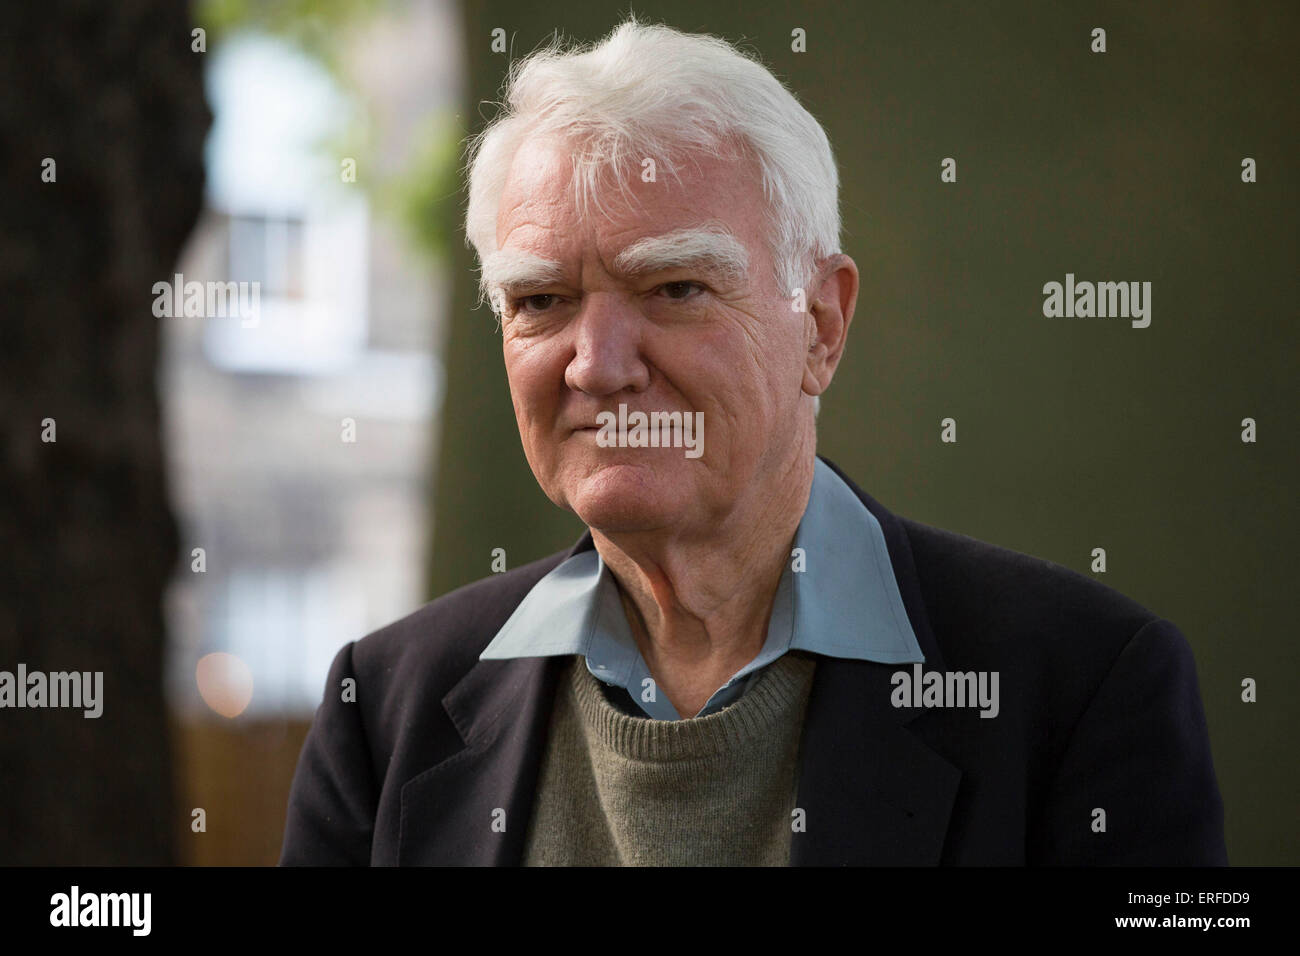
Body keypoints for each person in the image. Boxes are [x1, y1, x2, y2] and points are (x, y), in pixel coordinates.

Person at [279, 16, 1226, 866]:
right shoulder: (386, 708)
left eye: (675, 289)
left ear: (821, 324)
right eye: (540, 301)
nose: (598, 364)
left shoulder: (1084, 690)